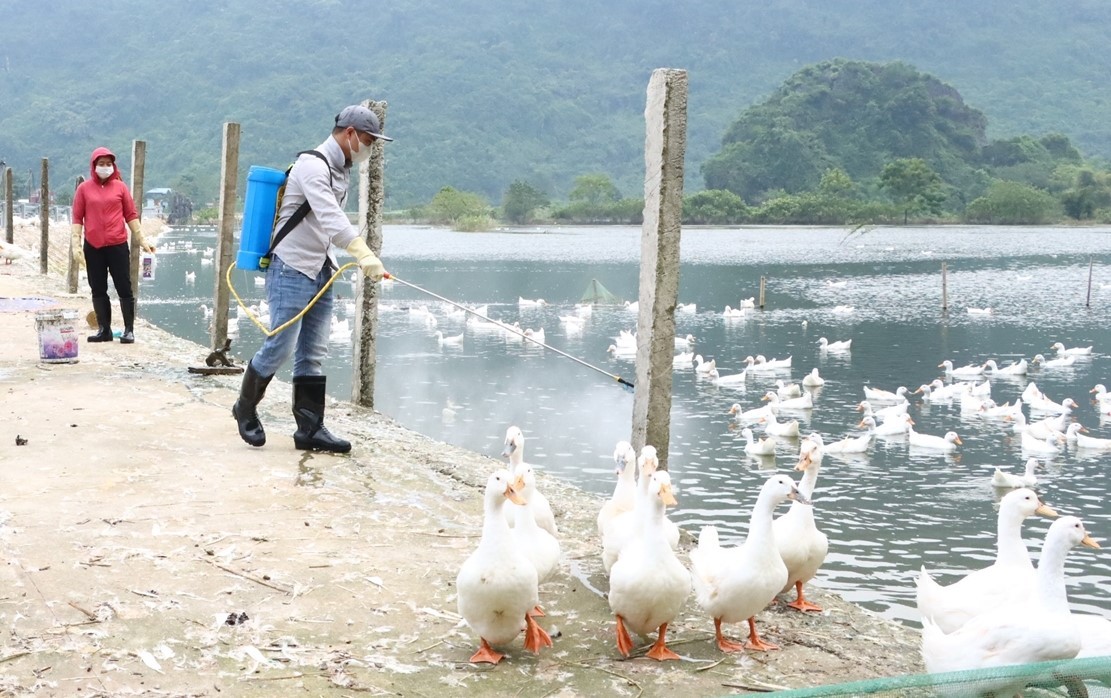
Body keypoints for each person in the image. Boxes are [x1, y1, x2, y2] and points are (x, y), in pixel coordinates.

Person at [232, 105, 392, 453]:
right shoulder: (312, 166)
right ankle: (244, 407)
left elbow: (326, 225)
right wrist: (363, 253)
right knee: (282, 344)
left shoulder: (341, 170)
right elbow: (330, 216)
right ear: (350, 133)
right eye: (367, 141)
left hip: (321, 268)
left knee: (313, 352)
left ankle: (309, 429)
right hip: (291, 266)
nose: (368, 148)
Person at [71, 147, 155, 344]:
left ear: (114, 166)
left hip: (117, 245)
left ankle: (129, 330)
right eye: (101, 164)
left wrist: (142, 239)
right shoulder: (84, 189)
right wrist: (76, 244)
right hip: (93, 246)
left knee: (124, 286)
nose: (105, 167)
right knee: (97, 288)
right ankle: (104, 330)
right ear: (94, 166)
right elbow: (77, 217)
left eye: (109, 164)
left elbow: (131, 215)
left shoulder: (121, 188)